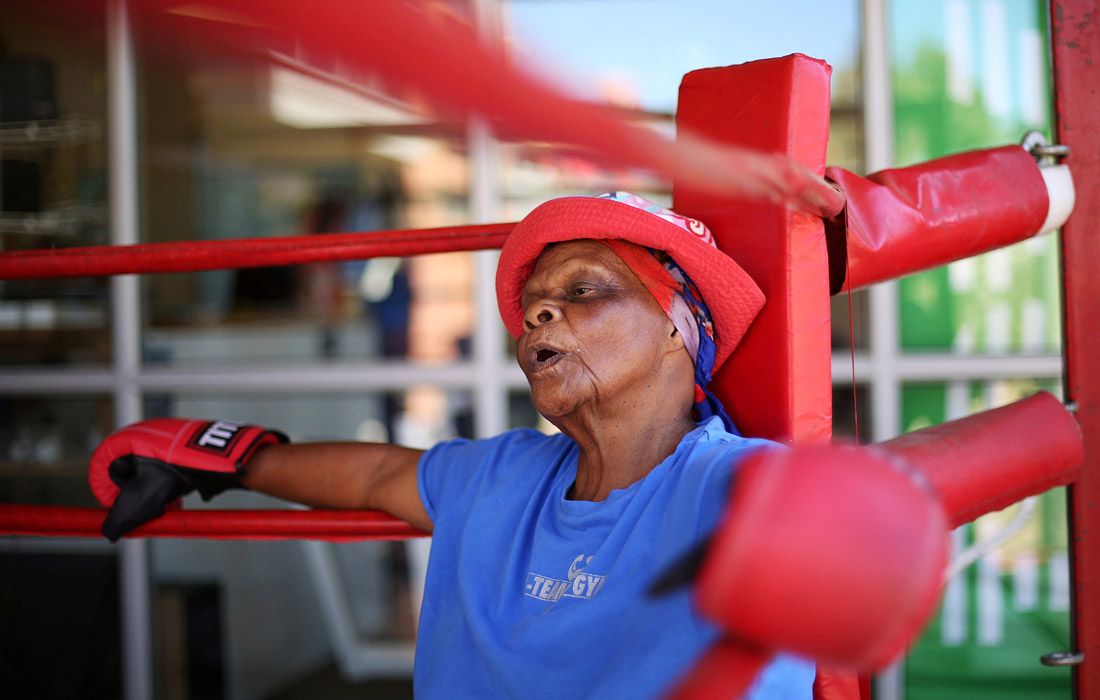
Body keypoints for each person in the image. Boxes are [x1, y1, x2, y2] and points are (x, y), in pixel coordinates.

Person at [89, 192, 815, 699]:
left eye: (585, 289)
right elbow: (375, 474)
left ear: (675, 326)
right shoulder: (505, 474)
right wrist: (215, 453)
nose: (537, 313)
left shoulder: (742, 488)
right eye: (534, 307)